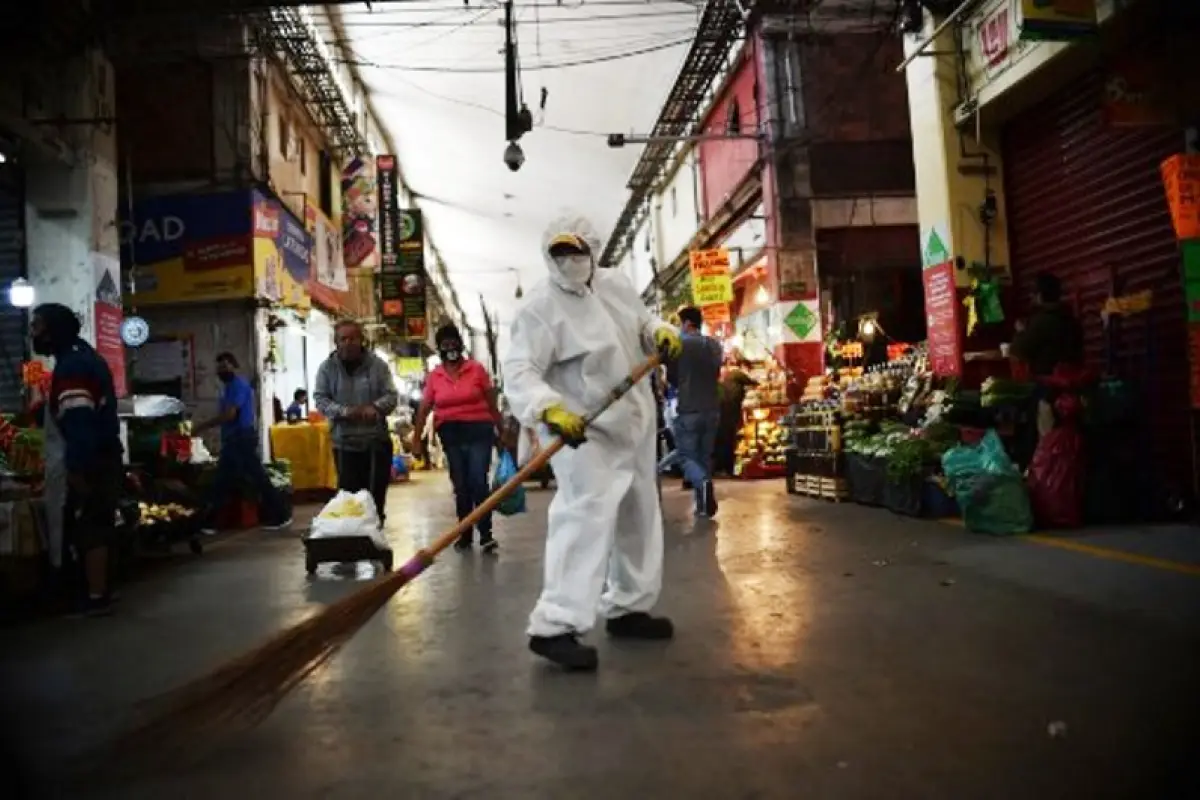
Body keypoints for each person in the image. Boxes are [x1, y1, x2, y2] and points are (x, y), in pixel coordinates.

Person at [503, 214, 682, 671]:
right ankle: (554, 625)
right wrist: (548, 408)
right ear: (548, 254)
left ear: (593, 250)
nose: (568, 260)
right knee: (583, 518)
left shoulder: (616, 286)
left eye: (575, 251)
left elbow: (643, 322)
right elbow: (521, 370)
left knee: (638, 513)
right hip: (583, 429)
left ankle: (628, 606)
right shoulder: (539, 308)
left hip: (633, 420)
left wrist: (660, 331)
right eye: (559, 252)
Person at [31, 303, 123, 617]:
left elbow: (80, 420)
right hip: (103, 455)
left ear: (54, 329)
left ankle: (95, 597)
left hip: (92, 459)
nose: (33, 333)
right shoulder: (83, 357)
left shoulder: (72, 367)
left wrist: (77, 468)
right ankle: (101, 590)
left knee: (90, 526)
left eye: (38, 326)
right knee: (97, 522)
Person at [411, 324, 503, 553]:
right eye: (445, 344)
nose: (450, 348)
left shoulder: (476, 370)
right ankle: (464, 533)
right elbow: (424, 407)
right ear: (439, 349)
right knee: (461, 485)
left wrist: (502, 431)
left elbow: (491, 402)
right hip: (451, 434)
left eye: (453, 343)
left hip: (479, 430)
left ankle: (486, 534)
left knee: (478, 482)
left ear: (460, 345)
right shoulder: (435, 376)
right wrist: (416, 438)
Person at [313, 320, 399, 527]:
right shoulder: (327, 369)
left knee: (375, 500)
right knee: (349, 501)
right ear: (336, 342)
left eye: (353, 338)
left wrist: (375, 408)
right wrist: (344, 411)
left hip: (375, 443)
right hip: (344, 444)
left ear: (362, 340)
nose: (348, 343)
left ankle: (375, 541)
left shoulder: (378, 366)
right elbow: (321, 399)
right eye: (343, 339)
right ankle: (354, 543)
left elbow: (391, 395)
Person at [195, 353, 292, 533]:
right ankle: (210, 522)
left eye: (225, 366)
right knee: (226, 480)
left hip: (241, 439)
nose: (222, 370)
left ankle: (281, 514)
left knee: (244, 479)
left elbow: (231, 414)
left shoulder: (238, 386)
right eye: (219, 368)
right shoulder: (229, 387)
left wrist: (203, 426)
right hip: (234, 438)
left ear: (234, 365)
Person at [668, 305, 724, 517]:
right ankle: (702, 506)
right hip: (712, 408)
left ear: (687, 324)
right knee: (704, 457)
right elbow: (717, 371)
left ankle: (703, 484)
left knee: (686, 456)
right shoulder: (714, 345)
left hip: (689, 409)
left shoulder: (679, 345)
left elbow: (672, 378)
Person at [1010, 272, 1084, 378]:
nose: (1031, 297)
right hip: (1073, 382)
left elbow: (1020, 351)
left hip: (1047, 384)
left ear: (1040, 296)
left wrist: (1020, 332)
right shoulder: (1070, 318)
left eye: (1033, 294)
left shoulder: (1041, 321)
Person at [714, 361, 757, 476]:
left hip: (722, 414)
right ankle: (728, 469)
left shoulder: (725, 381)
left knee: (723, 441)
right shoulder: (736, 373)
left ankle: (721, 468)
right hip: (730, 414)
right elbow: (752, 382)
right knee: (729, 442)